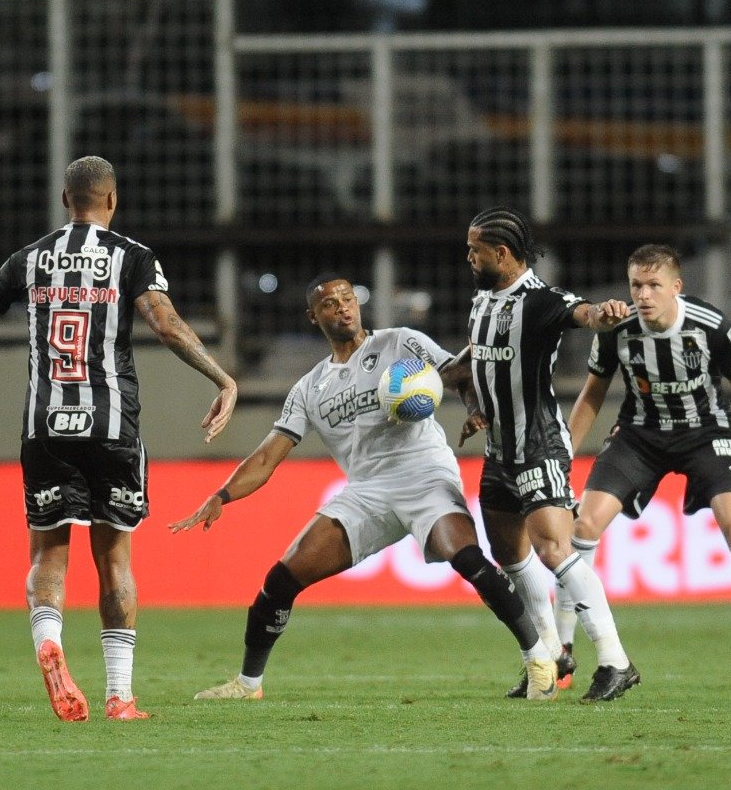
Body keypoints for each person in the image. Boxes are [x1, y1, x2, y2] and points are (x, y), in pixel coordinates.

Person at [0, 156, 236, 722]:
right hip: (112, 424)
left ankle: (48, 643)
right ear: (113, 200)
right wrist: (220, 376)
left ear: (64, 200)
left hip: (46, 423)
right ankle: (119, 697)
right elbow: (167, 324)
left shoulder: (29, 259)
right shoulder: (132, 257)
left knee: (49, 554)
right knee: (115, 558)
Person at [172, 275, 559, 701]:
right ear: (313, 316)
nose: (342, 307)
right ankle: (248, 685)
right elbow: (267, 456)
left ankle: (539, 659)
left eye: (347, 298)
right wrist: (221, 495)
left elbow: (459, 373)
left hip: (425, 474)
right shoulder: (310, 387)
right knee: (281, 580)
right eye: (329, 304)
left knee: (468, 558)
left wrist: (472, 409)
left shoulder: (401, 343)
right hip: (366, 492)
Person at [562, 244, 731, 690]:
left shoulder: (711, 327)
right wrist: (563, 461)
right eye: (635, 286)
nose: (643, 295)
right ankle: (564, 657)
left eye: (652, 286)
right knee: (583, 527)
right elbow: (591, 396)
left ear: (676, 287)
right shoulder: (616, 330)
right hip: (639, 435)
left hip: (705, 433)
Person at [452, 207, 639, 703]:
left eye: (475, 249)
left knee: (554, 549)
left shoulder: (540, 300)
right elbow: (470, 365)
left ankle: (616, 660)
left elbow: (584, 313)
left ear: (501, 253)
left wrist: (607, 314)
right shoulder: (483, 300)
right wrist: (473, 406)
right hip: (498, 451)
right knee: (509, 555)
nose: (468, 257)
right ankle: (551, 657)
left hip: (537, 446)